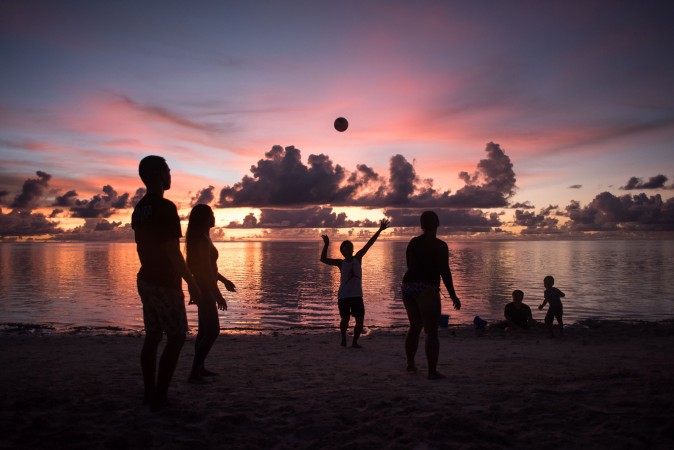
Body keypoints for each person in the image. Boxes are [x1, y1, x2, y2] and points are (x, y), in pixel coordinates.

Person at [132, 155, 201, 410]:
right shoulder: (165, 207)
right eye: (168, 170)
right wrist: (191, 281)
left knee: (153, 336)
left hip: (145, 279)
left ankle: (149, 393)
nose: (171, 175)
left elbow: (141, 246)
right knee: (177, 337)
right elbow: (172, 250)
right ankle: (160, 396)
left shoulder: (139, 208)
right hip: (164, 282)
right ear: (159, 174)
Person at [401, 211, 461, 380]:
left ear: (422, 225)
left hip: (408, 286)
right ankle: (432, 371)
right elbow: (445, 272)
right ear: (437, 225)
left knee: (414, 326)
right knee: (431, 331)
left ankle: (410, 365)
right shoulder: (440, 246)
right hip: (426, 287)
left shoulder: (413, 243)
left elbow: (409, 265)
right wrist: (453, 295)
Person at [185, 204, 236, 384]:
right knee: (213, 331)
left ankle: (199, 368)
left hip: (204, 286)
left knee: (204, 330)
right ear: (206, 217)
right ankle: (194, 372)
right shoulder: (202, 239)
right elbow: (205, 270)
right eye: (212, 214)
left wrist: (224, 281)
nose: (214, 217)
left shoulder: (203, 237)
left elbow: (210, 268)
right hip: (204, 287)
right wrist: (217, 294)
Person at [320, 219, 390, 348]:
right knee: (345, 319)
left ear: (352, 250)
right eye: (346, 248)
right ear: (342, 251)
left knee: (360, 321)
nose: (349, 250)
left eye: (350, 248)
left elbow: (369, 244)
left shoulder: (358, 258)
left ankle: (355, 342)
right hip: (344, 296)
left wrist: (380, 230)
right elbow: (323, 259)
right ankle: (343, 338)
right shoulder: (341, 263)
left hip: (357, 296)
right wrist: (326, 244)